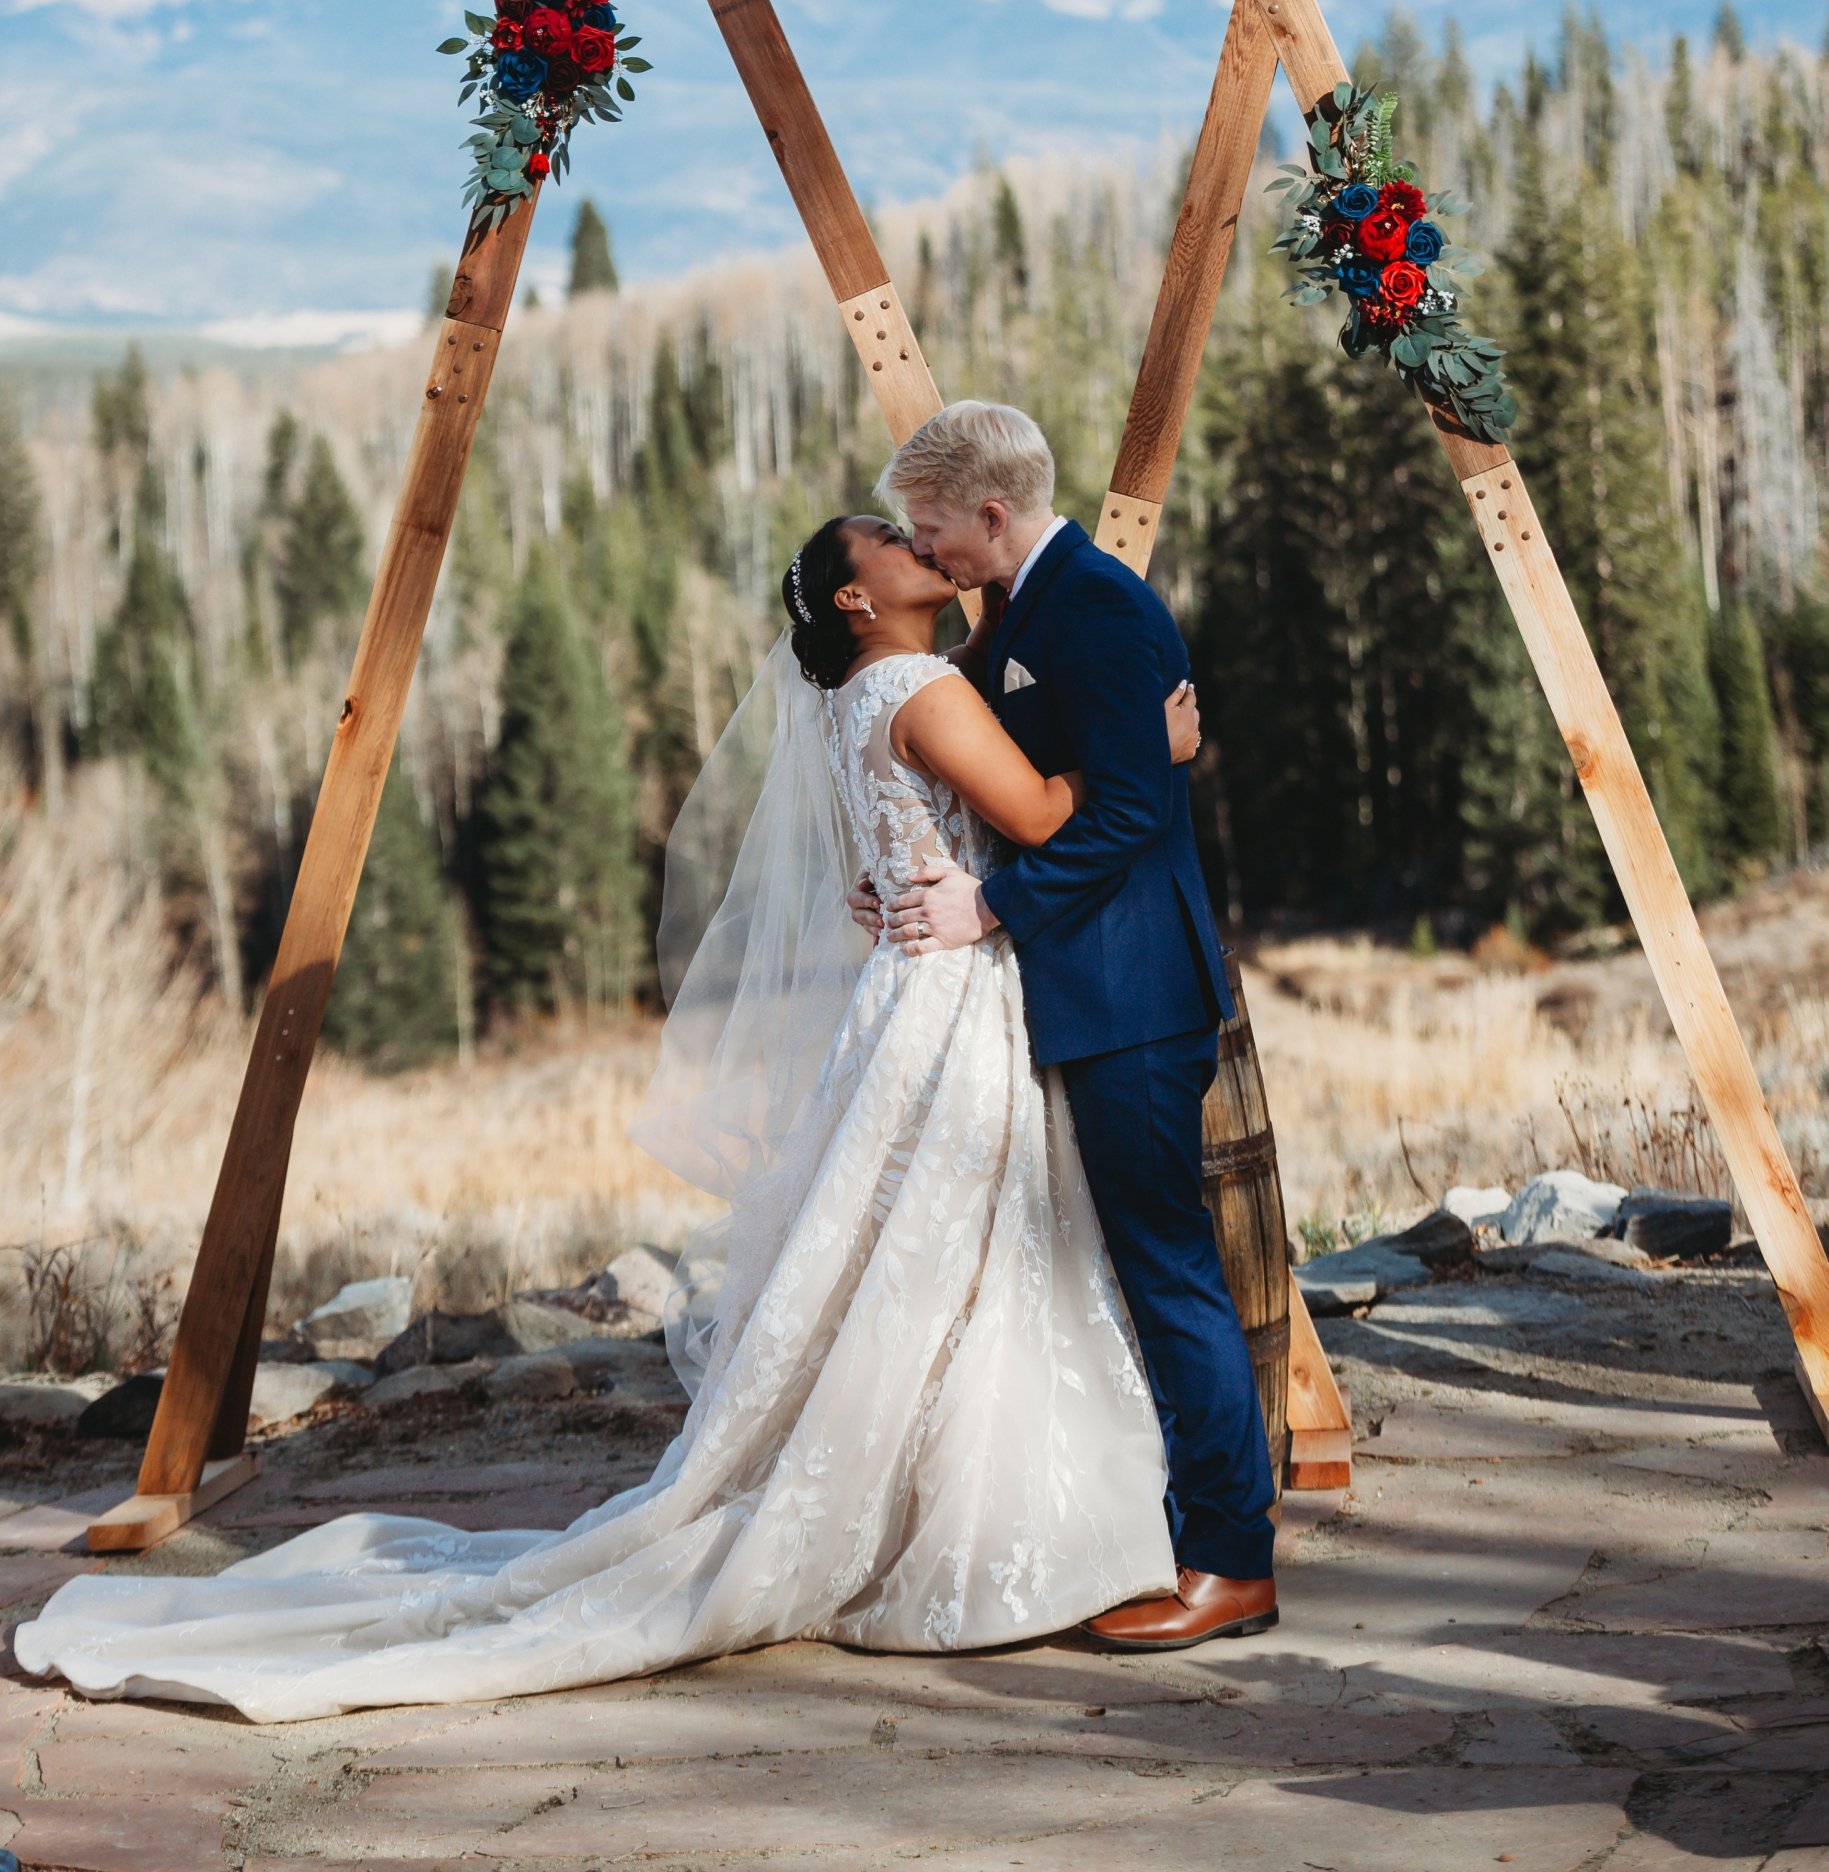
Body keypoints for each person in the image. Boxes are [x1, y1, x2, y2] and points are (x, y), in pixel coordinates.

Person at [15, 512, 1204, 1722]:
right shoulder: (920, 686)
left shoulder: (861, 696)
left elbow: (912, 837)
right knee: (964, 1258)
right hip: (951, 995)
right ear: (855, 597)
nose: (921, 547)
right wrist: (1144, 753)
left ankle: (933, 1502)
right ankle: (976, 1529)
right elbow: (1053, 819)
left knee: (918, 1265)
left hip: (896, 995)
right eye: (893, 541)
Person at [868, 401, 1277, 1651]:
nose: (925, 552)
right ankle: (1163, 1526)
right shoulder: (1022, 612)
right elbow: (1078, 773)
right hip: (1086, 992)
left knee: (1167, 1269)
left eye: (933, 529)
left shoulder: (1093, 607)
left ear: (991, 515)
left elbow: (1119, 826)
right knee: (1135, 1269)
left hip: (1130, 996)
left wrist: (987, 906)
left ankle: (1230, 1559)